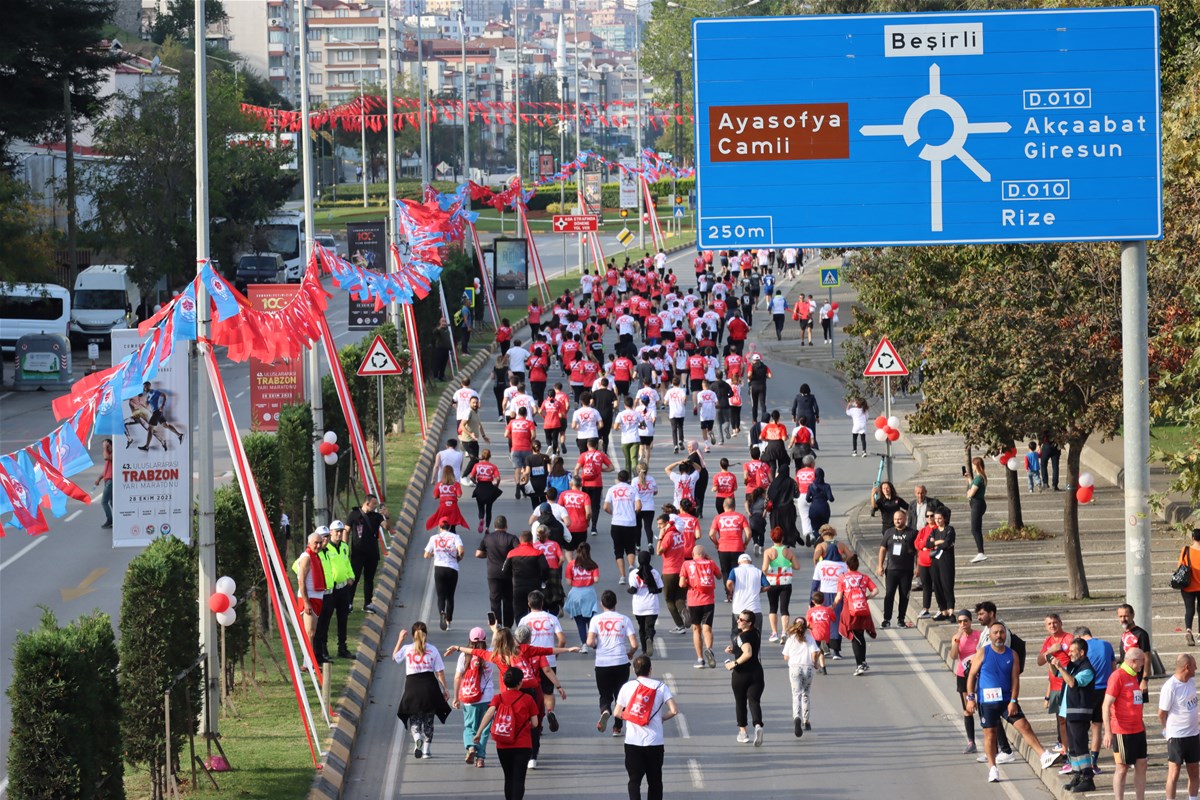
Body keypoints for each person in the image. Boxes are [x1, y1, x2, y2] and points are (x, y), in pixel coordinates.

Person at [965, 621, 1064, 783]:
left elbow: (1015, 680)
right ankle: (993, 768)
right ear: (990, 635)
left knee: (1024, 725)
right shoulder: (983, 652)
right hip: (987, 702)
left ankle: (1043, 755)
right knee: (990, 734)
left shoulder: (1012, 654)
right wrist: (970, 698)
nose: (999, 636)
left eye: (1002, 632)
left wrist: (1013, 700)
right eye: (995, 633)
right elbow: (971, 676)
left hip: (1006, 700)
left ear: (1006, 635)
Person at [615, 655, 678, 800]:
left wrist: (633, 716)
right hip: (654, 742)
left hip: (632, 742)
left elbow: (617, 713)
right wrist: (661, 719)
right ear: (650, 669)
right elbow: (674, 710)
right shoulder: (660, 687)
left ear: (634, 670)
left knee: (634, 781)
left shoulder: (627, 687)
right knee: (655, 782)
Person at [475, 667, 540, 800]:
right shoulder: (528, 699)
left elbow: (489, 714)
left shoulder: (498, 698)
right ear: (520, 683)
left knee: (509, 777)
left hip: (503, 745)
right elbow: (535, 723)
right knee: (519, 779)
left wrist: (479, 733)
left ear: (505, 682)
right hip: (523, 745)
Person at [393, 621, 452, 759]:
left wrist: (400, 639)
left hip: (412, 686)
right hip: (430, 687)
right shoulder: (433, 650)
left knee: (414, 717)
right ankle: (426, 750)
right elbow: (440, 672)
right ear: (426, 634)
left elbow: (395, 657)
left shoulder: (407, 649)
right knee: (429, 720)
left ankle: (417, 738)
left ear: (412, 635)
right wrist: (445, 689)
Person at [1049, 638, 1098, 793]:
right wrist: (1051, 661)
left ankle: (1088, 778)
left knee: (1081, 747)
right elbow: (1056, 673)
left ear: (1081, 652)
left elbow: (1072, 683)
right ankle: (1078, 775)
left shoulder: (1087, 669)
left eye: (1072, 651)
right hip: (1070, 713)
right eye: (1069, 650)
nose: (1069, 653)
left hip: (1079, 713)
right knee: (1073, 748)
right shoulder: (1073, 666)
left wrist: (1060, 667)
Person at [589, 589, 639, 738]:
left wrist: (596, 646)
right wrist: (630, 653)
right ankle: (617, 728)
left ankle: (605, 710)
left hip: (602, 663)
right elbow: (634, 644)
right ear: (616, 603)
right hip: (621, 662)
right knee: (620, 696)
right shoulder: (624, 619)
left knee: (605, 694)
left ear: (601, 604)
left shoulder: (596, 620)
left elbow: (590, 642)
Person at [1103, 647, 1149, 800]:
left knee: (1142, 764)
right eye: (1142, 661)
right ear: (1133, 661)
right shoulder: (1118, 676)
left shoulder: (1134, 676)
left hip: (1138, 729)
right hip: (1122, 731)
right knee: (1122, 768)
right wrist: (1108, 732)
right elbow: (1106, 705)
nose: (1143, 664)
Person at [518, 590, 566, 731]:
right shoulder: (552, 618)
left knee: (531, 692)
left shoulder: (524, 620)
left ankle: (534, 721)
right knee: (548, 692)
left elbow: (519, 641)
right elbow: (562, 640)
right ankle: (550, 712)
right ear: (542, 603)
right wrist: (555, 654)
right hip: (548, 660)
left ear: (529, 604)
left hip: (530, 661)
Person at [1075, 625, 1116, 776]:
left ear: (1079, 637)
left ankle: (1081, 762)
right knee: (1097, 726)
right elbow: (1113, 667)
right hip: (1105, 691)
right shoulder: (1107, 645)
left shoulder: (1081, 648)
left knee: (1081, 727)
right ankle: (1093, 763)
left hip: (1088, 690)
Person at [1158, 653, 1199, 800]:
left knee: (1194, 770)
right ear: (1187, 667)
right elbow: (1161, 713)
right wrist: (1166, 729)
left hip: (1193, 735)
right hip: (1177, 737)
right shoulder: (1170, 687)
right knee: (1174, 772)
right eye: (1194, 665)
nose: (1196, 668)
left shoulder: (1191, 682)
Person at [452, 627, 495, 769]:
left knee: (470, 727)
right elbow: (496, 640)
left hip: (470, 698)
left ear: (469, 640)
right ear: (485, 639)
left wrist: (456, 697)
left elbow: (457, 677)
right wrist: (495, 629)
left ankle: (471, 747)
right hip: (487, 699)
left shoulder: (464, 656)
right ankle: (480, 758)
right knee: (484, 729)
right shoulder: (490, 654)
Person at [724, 609, 765, 746]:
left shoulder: (742, 637)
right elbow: (746, 649)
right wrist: (734, 650)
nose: (738, 621)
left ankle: (743, 733)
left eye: (742, 620)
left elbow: (747, 652)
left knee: (740, 702)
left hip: (741, 674)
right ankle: (758, 725)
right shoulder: (756, 633)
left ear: (749, 623)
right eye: (738, 618)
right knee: (754, 701)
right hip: (757, 673)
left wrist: (733, 663)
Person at [834, 554, 878, 676]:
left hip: (850, 611)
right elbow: (876, 590)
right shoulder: (864, 577)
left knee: (855, 637)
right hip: (863, 609)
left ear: (847, 566)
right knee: (860, 636)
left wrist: (832, 607)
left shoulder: (842, 578)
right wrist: (866, 597)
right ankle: (863, 662)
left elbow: (838, 597)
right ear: (857, 565)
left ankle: (859, 665)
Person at [1037, 613, 1073, 757]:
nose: (1052, 626)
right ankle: (1065, 748)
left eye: (1055, 622)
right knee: (1061, 720)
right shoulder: (1048, 641)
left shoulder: (1069, 638)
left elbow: (1077, 657)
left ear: (1060, 623)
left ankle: (1074, 747)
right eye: (1049, 624)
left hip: (1068, 685)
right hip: (1055, 687)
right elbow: (1039, 661)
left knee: (1070, 720)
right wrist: (1050, 650)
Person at [782, 616, 823, 736]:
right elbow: (814, 653)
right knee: (806, 693)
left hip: (794, 668)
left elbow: (785, 657)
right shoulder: (809, 638)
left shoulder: (790, 639)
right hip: (808, 667)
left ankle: (797, 717)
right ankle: (806, 720)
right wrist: (815, 663)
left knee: (796, 694)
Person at [877, 509, 917, 628]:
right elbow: (882, 549)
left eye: (899, 519)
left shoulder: (912, 533)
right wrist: (880, 565)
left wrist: (918, 567)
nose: (897, 521)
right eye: (895, 519)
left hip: (906, 570)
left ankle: (901, 619)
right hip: (891, 569)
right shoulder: (889, 532)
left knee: (904, 595)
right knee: (889, 594)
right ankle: (886, 619)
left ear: (905, 519)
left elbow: (918, 551)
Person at [949, 609, 983, 753]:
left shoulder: (979, 635)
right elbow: (953, 656)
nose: (963, 624)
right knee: (967, 710)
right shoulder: (956, 638)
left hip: (979, 674)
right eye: (960, 621)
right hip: (963, 675)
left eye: (965, 621)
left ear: (970, 621)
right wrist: (957, 639)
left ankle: (993, 741)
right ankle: (971, 742)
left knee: (983, 708)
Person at [681, 545, 719, 669]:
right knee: (707, 629)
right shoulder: (710, 563)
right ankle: (710, 649)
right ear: (704, 554)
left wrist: (689, 582)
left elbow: (681, 584)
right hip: (708, 601)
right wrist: (710, 559)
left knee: (696, 629)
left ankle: (700, 659)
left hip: (693, 602)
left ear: (693, 554)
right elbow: (719, 576)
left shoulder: (686, 564)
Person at [477, 517, 519, 627]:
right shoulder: (512, 538)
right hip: (508, 573)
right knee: (508, 600)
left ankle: (497, 623)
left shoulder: (487, 538)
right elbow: (518, 552)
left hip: (493, 574)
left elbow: (478, 553)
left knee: (495, 599)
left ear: (494, 526)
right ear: (506, 526)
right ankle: (508, 625)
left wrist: (488, 555)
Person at [348, 495, 386, 613]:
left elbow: (387, 527)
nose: (375, 506)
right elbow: (346, 530)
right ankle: (349, 603)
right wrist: (344, 546)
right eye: (374, 504)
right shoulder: (354, 514)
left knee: (369, 579)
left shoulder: (377, 516)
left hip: (372, 554)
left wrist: (387, 516)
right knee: (353, 578)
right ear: (367, 503)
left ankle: (367, 603)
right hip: (357, 553)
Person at [762, 527, 800, 643]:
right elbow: (797, 566)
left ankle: (774, 633)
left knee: (773, 607)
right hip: (786, 582)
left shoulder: (768, 552)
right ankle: (784, 631)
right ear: (782, 538)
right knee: (784, 608)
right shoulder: (789, 552)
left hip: (773, 583)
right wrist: (788, 564)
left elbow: (764, 568)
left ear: (771, 538)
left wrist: (767, 573)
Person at [503, 530, 550, 622]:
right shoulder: (538, 553)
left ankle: (522, 629)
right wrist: (543, 579)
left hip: (518, 587)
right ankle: (535, 628)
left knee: (519, 612)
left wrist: (512, 577)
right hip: (534, 586)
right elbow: (545, 568)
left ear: (520, 540)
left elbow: (504, 570)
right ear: (531, 540)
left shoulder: (512, 553)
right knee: (536, 611)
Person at [655, 513, 691, 635]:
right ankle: (684, 610)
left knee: (669, 599)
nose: (659, 527)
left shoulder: (668, 536)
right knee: (680, 597)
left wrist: (660, 538)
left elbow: (658, 551)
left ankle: (680, 625)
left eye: (660, 524)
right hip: (682, 570)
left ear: (667, 523)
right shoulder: (679, 533)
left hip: (669, 572)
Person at [294, 530, 328, 643]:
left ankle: (310, 654)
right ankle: (308, 655)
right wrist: (306, 602)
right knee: (309, 633)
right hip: (310, 598)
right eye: (316, 543)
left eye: (320, 543)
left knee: (312, 632)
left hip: (316, 598)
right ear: (309, 543)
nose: (318, 545)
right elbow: (301, 581)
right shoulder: (307, 557)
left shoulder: (316, 556)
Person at [326, 520, 354, 658]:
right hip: (332, 590)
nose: (339, 534)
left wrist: (351, 576)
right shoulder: (326, 549)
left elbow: (347, 563)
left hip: (343, 588)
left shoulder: (344, 546)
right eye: (336, 531)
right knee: (326, 620)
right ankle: (323, 650)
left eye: (341, 531)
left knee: (343, 619)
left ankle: (342, 648)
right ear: (331, 532)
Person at [628, 550, 663, 655]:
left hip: (639, 607)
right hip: (652, 605)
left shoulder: (633, 574)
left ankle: (644, 651)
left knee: (641, 628)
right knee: (650, 627)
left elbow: (633, 589)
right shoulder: (655, 573)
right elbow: (659, 589)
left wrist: (629, 590)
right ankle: (650, 638)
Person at [726, 552, 767, 642]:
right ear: (750, 562)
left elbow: (729, 583)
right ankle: (754, 650)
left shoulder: (735, 571)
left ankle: (738, 649)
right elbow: (767, 586)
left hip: (738, 609)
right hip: (755, 609)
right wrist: (758, 590)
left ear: (739, 562)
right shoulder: (758, 572)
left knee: (736, 633)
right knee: (756, 634)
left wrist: (730, 592)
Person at [927, 508, 957, 620]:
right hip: (935, 561)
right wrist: (939, 542)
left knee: (947, 585)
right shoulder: (934, 531)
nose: (937, 520)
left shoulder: (949, 530)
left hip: (946, 561)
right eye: (936, 518)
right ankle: (943, 611)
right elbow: (928, 544)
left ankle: (951, 611)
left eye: (940, 518)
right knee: (937, 586)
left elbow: (947, 543)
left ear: (944, 518)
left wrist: (935, 544)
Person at [1117, 603, 1152, 699]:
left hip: (1138, 679)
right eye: (1120, 616)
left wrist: (1145, 680)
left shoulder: (1141, 634)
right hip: (1125, 678)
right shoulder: (1125, 634)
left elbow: (1147, 658)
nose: (1123, 619)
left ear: (1133, 615)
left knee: (1137, 706)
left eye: (1126, 616)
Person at [468, 449, 503, 533]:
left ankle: (481, 519)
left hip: (480, 487)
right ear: (489, 456)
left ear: (482, 456)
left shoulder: (477, 465)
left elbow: (471, 476)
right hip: (489, 488)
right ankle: (487, 527)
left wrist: (475, 482)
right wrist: (496, 485)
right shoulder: (493, 466)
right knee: (489, 509)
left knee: (480, 507)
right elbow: (498, 478)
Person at [1178, 529, 1200, 647]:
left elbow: (1180, 566)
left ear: (1192, 538)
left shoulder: (1186, 550)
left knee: (1189, 609)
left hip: (1188, 586)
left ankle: (1188, 631)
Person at [966, 457, 989, 563]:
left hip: (977, 504)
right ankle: (980, 552)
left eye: (973, 465)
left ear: (976, 466)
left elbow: (971, 493)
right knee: (976, 529)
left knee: (975, 529)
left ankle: (981, 552)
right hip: (978, 504)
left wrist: (968, 493)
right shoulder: (979, 477)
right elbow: (972, 485)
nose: (973, 467)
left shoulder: (979, 478)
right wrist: (969, 479)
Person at [804, 467, 835, 533]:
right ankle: (823, 537)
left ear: (815, 476)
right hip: (824, 509)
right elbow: (831, 499)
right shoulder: (826, 486)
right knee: (824, 529)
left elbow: (807, 499)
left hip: (814, 509)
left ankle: (816, 536)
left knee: (815, 529)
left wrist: (813, 499)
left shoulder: (811, 486)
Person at [95, 438, 113, 528]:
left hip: (111, 481)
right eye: (104, 447)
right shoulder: (109, 455)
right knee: (112, 502)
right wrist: (99, 478)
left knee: (104, 501)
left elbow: (106, 457)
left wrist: (105, 447)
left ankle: (110, 520)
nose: (105, 448)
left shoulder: (113, 454)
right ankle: (118, 519)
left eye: (106, 446)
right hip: (108, 481)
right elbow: (106, 470)